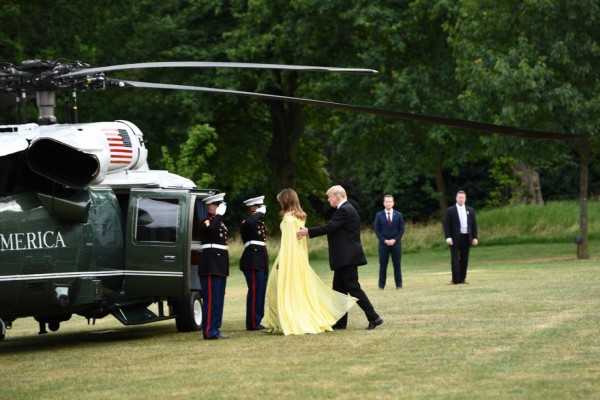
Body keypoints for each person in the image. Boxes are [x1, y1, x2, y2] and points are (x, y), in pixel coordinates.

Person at [261, 188, 357, 335]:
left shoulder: (287, 218)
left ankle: (291, 319)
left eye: (280, 201)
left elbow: (287, 243)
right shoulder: (300, 216)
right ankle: (303, 317)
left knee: (280, 289)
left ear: (285, 201)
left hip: (290, 256)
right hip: (299, 257)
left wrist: (283, 260)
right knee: (300, 289)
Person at [297, 185, 384, 330]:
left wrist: (308, 231)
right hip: (344, 258)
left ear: (337, 197)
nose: (328, 200)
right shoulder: (345, 209)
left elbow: (330, 227)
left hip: (347, 257)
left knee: (353, 288)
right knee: (339, 291)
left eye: (329, 197)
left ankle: (374, 317)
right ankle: (340, 322)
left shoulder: (344, 210)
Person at [198, 193, 230, 339]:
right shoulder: (206, 221)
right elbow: (211, 230)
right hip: (210, 264)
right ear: (210, 206)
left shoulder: (218, 222)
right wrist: (219, 216)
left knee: (218, 298)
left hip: (220, 264)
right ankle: (209, 331)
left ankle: (215, 329)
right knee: (211, 299)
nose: (216, 208)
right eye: (215, 205)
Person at [240, 195, 269, 331]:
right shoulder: (247, 221)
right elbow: (250, 223)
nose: (261, 210)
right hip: (252, 259)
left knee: (261, 291)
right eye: (258, 207)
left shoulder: (259, 223)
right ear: (252, 208)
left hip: (261, 259)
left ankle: (258, 320)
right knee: (255, 290)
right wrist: (259, 213)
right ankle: (252, 322)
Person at [443, 190, 479, 284]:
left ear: (465, 199)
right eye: (459, 197)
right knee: (455, 258)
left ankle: (462, 278)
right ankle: (455, 279)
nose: (461, 199)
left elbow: (474, 225)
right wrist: (448, 237)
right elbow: (446, 225)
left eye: (463, 197)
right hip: (454, 238)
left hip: (466, 237)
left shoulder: (470, 210)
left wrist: (475, 237)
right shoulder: (450, 210)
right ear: (456, 198)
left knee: (464, 258)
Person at [374, 195, 405, 290]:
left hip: (396, 244)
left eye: (390, 201)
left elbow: (401, 229)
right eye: (386, 201)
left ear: (393, 203)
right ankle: (381, 286)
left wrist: (394, 240)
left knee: (397, 265)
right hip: (383, 245)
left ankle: (399, 285)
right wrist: (384, 240)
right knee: (383, 265)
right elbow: (377, 229)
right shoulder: (379, 215)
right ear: (383, 203)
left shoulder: (398, 215)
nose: (388, 203)